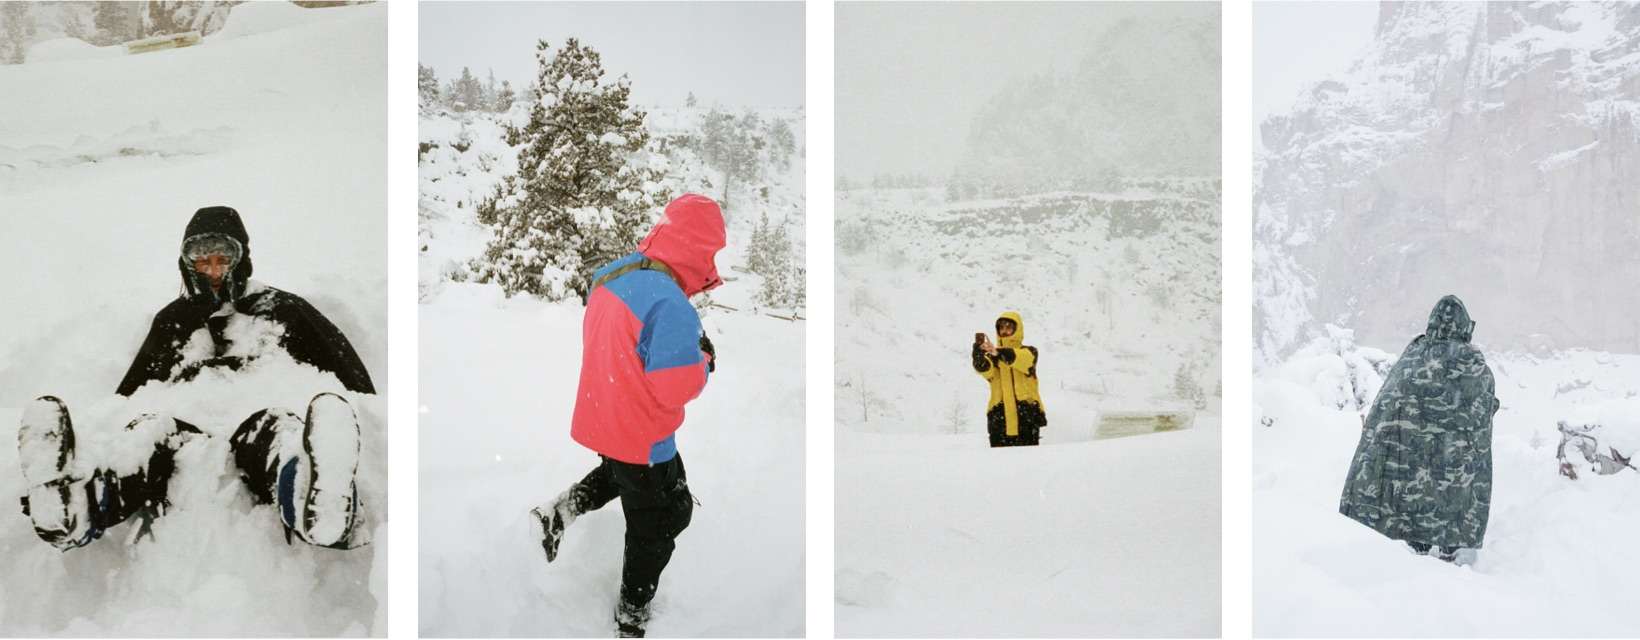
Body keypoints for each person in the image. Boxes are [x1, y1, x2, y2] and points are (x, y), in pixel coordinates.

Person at [16, 205, 374, 552]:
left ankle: (315, 501)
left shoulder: (283, 310)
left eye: (223, 260)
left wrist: (365, 412)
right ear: (188, 263)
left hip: (257, 420)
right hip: (181, 431)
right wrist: (118, 424)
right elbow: (131, 392)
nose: (214, 271)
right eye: (202, 261)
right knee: (146, 436)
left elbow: (343, 365)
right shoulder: (173, 320)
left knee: (278, 432)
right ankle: (78, 505)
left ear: (241, 258)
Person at [530, 193, 724, 638]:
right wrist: (704, 362)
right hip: (642, 431)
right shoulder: (671, 304)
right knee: (663, 517)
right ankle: (632, 613)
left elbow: (618, 344)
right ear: (699, 249)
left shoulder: (613, 274)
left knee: (621, 472)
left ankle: (559, 512)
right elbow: (676, 384)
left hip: (604, 413)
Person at [1338, 294, 1497, 564]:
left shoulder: (1414, 355)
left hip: (1408, 458)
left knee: (1415, 487)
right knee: (1453, 478)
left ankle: (1416, 545)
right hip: (1451, 463)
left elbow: (1392, 404)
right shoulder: (1473, 364)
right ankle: (1450, 549)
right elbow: (1481, 409)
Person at [971, 311, 1046, 447]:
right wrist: (978, 355)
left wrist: (998, 352)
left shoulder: (1030, 351)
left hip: (1026, 415)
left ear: (1017, 329)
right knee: (999, 464)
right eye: (1001, 327)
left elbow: (1020, 359)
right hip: (999, 418)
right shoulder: (993, 358)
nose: (1004, 331)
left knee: (1029, 462)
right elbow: (985, 370)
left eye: (1009, 327)